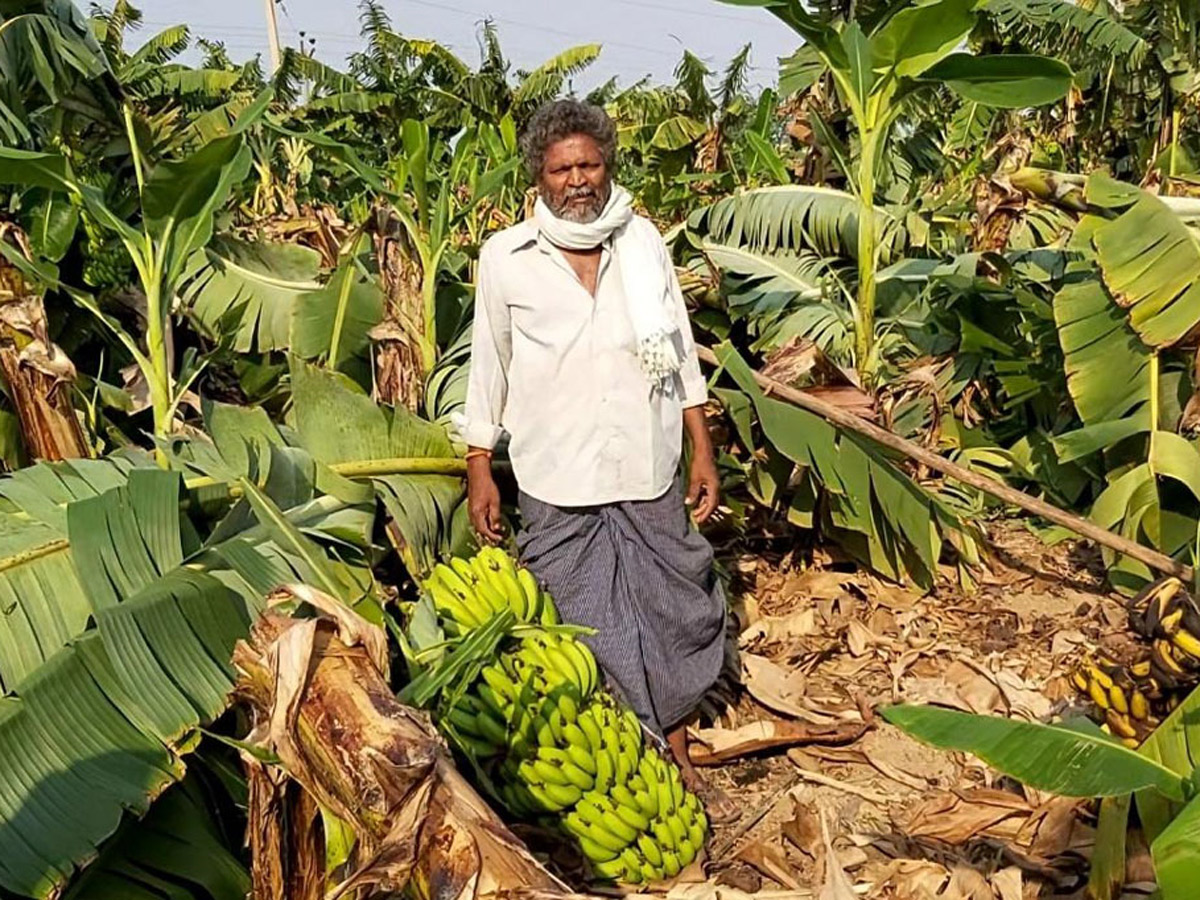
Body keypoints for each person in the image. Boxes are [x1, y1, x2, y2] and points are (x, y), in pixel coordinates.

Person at [462, 99, 734, 822]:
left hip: (646, 460)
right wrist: (479, 463)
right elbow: (488, 365)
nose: (577, 180)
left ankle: (674, 732)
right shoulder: (506, 259)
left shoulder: (641, 243)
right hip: (558, 472)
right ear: (539, 176)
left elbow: (677, 349)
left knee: (675, 604)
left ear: (607, 166)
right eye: (561, 168)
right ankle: (643, 748)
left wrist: (701, 447)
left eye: (589, 164)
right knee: (588, 621)